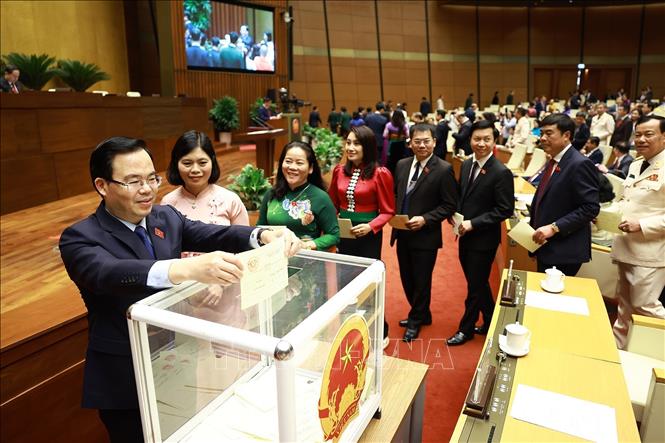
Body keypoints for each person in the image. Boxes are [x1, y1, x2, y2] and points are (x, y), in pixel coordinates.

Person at [59, 137, 299, 442]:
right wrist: (185, 269)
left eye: (151, 178)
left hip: (175, 362)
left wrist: (261, 234)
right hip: (125, 377)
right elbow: (107, 273)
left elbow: (214, 234)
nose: (147, 189)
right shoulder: (80, 237)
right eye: (133, 181)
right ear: (102, 185)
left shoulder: (164, 216)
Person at [447, 120, 514, 346]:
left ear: (495, 141)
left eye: (487, 139)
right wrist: (454, 213)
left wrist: (473, 223)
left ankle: (465, 329)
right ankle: (491, 319)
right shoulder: (467, 164)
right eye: (477, 139)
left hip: (484, 239)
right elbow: (462, 195)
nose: (481, 143)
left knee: (474, 287)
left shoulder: (501, 172)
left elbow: (504, 210)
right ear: (470, 140)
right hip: (464, 234)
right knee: (478, 281)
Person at [328, 125, 395, 346]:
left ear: (367, 146)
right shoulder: (339, 171)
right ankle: (351, 330)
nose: (350, 147)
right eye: (348, 142)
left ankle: (380, 330)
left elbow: (388, 211)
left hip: (368, 236)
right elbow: (332, 204)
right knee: (345, 282)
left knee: (369, 283)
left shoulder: (381, 173)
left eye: (356, 143)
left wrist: (371, 226)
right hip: (344, 233)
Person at [392, 123, 458, 342]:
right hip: (402, 233)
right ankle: (423, 314)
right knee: (407, 279)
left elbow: (449, 205)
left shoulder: (444, 169)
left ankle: (415, 320)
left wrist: (426, 219)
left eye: (426, 141)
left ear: (434, 142)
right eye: (417, 141)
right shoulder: (401, 165)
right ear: (410, 143)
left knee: (421, 281)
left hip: (425, 236)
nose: (422, 145)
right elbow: (397, 195)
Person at [611, 115, 665, 349]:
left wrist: (642, 225)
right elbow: (628, 202)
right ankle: (619, 351)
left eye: (648, 134)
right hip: (625, 246)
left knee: (646, 307)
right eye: (638, 134)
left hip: (650, 252)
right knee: (624, 306)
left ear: (664, 137)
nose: (641, 139)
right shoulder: (635, 164)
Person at [530, 113, 600, 275]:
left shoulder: (580, 164)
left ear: (566, 135)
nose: (543, 138)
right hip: (545, 245)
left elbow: (590, 208)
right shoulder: (555, 160)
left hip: (563, 250)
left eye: (549, 133)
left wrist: (555, 227)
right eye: (542, 133)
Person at [258, 141, 340, 251]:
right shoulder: (271, 194)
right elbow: (259, 228)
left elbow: (334, 235)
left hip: (304, 256)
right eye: (288, 161)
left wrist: (306, 245)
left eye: (299, 163)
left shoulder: (321, 197)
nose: (292, 167)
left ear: (310, 168)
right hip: (273, 255)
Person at [161, 131, 248, 225]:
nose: (195, 170)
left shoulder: (231, 200)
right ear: (176, 164)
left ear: (212, 162)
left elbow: (244, 234)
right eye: (187, 163)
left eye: (202, 163)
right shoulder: (168, 203)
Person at [383, 109, 410, 173]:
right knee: (401, 159)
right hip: (402, 145)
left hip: (391, 145)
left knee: (392, 160)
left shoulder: (389, 125)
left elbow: (384, 135)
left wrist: (392, 136)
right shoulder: (405, 125)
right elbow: (408, 136)